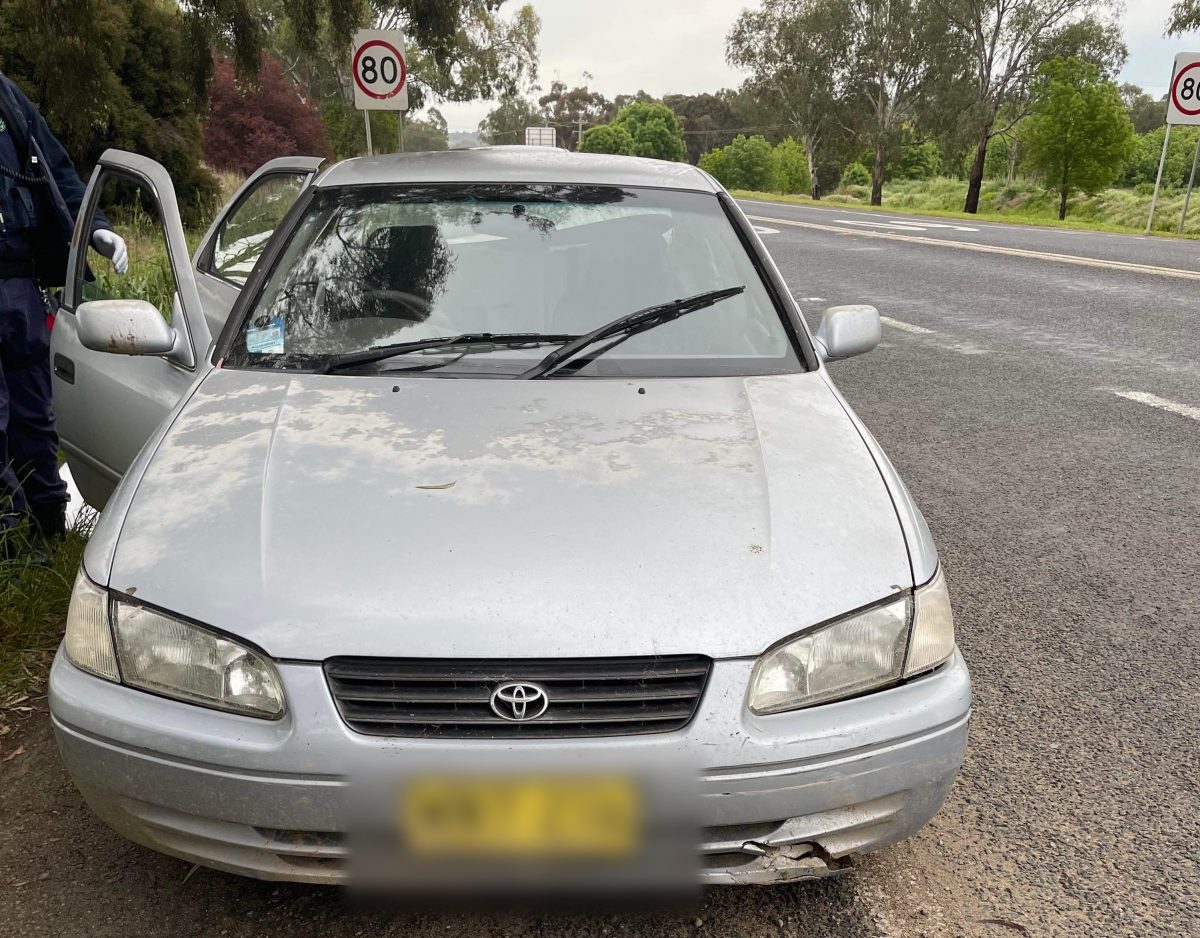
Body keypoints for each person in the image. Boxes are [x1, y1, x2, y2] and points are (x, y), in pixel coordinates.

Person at [0, 72, 126, 542]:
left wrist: (94, 226)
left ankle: (49, 535)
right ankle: (10, 552)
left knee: (35, 416)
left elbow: (56, 168)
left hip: (21, 286)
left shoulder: (8, 96)